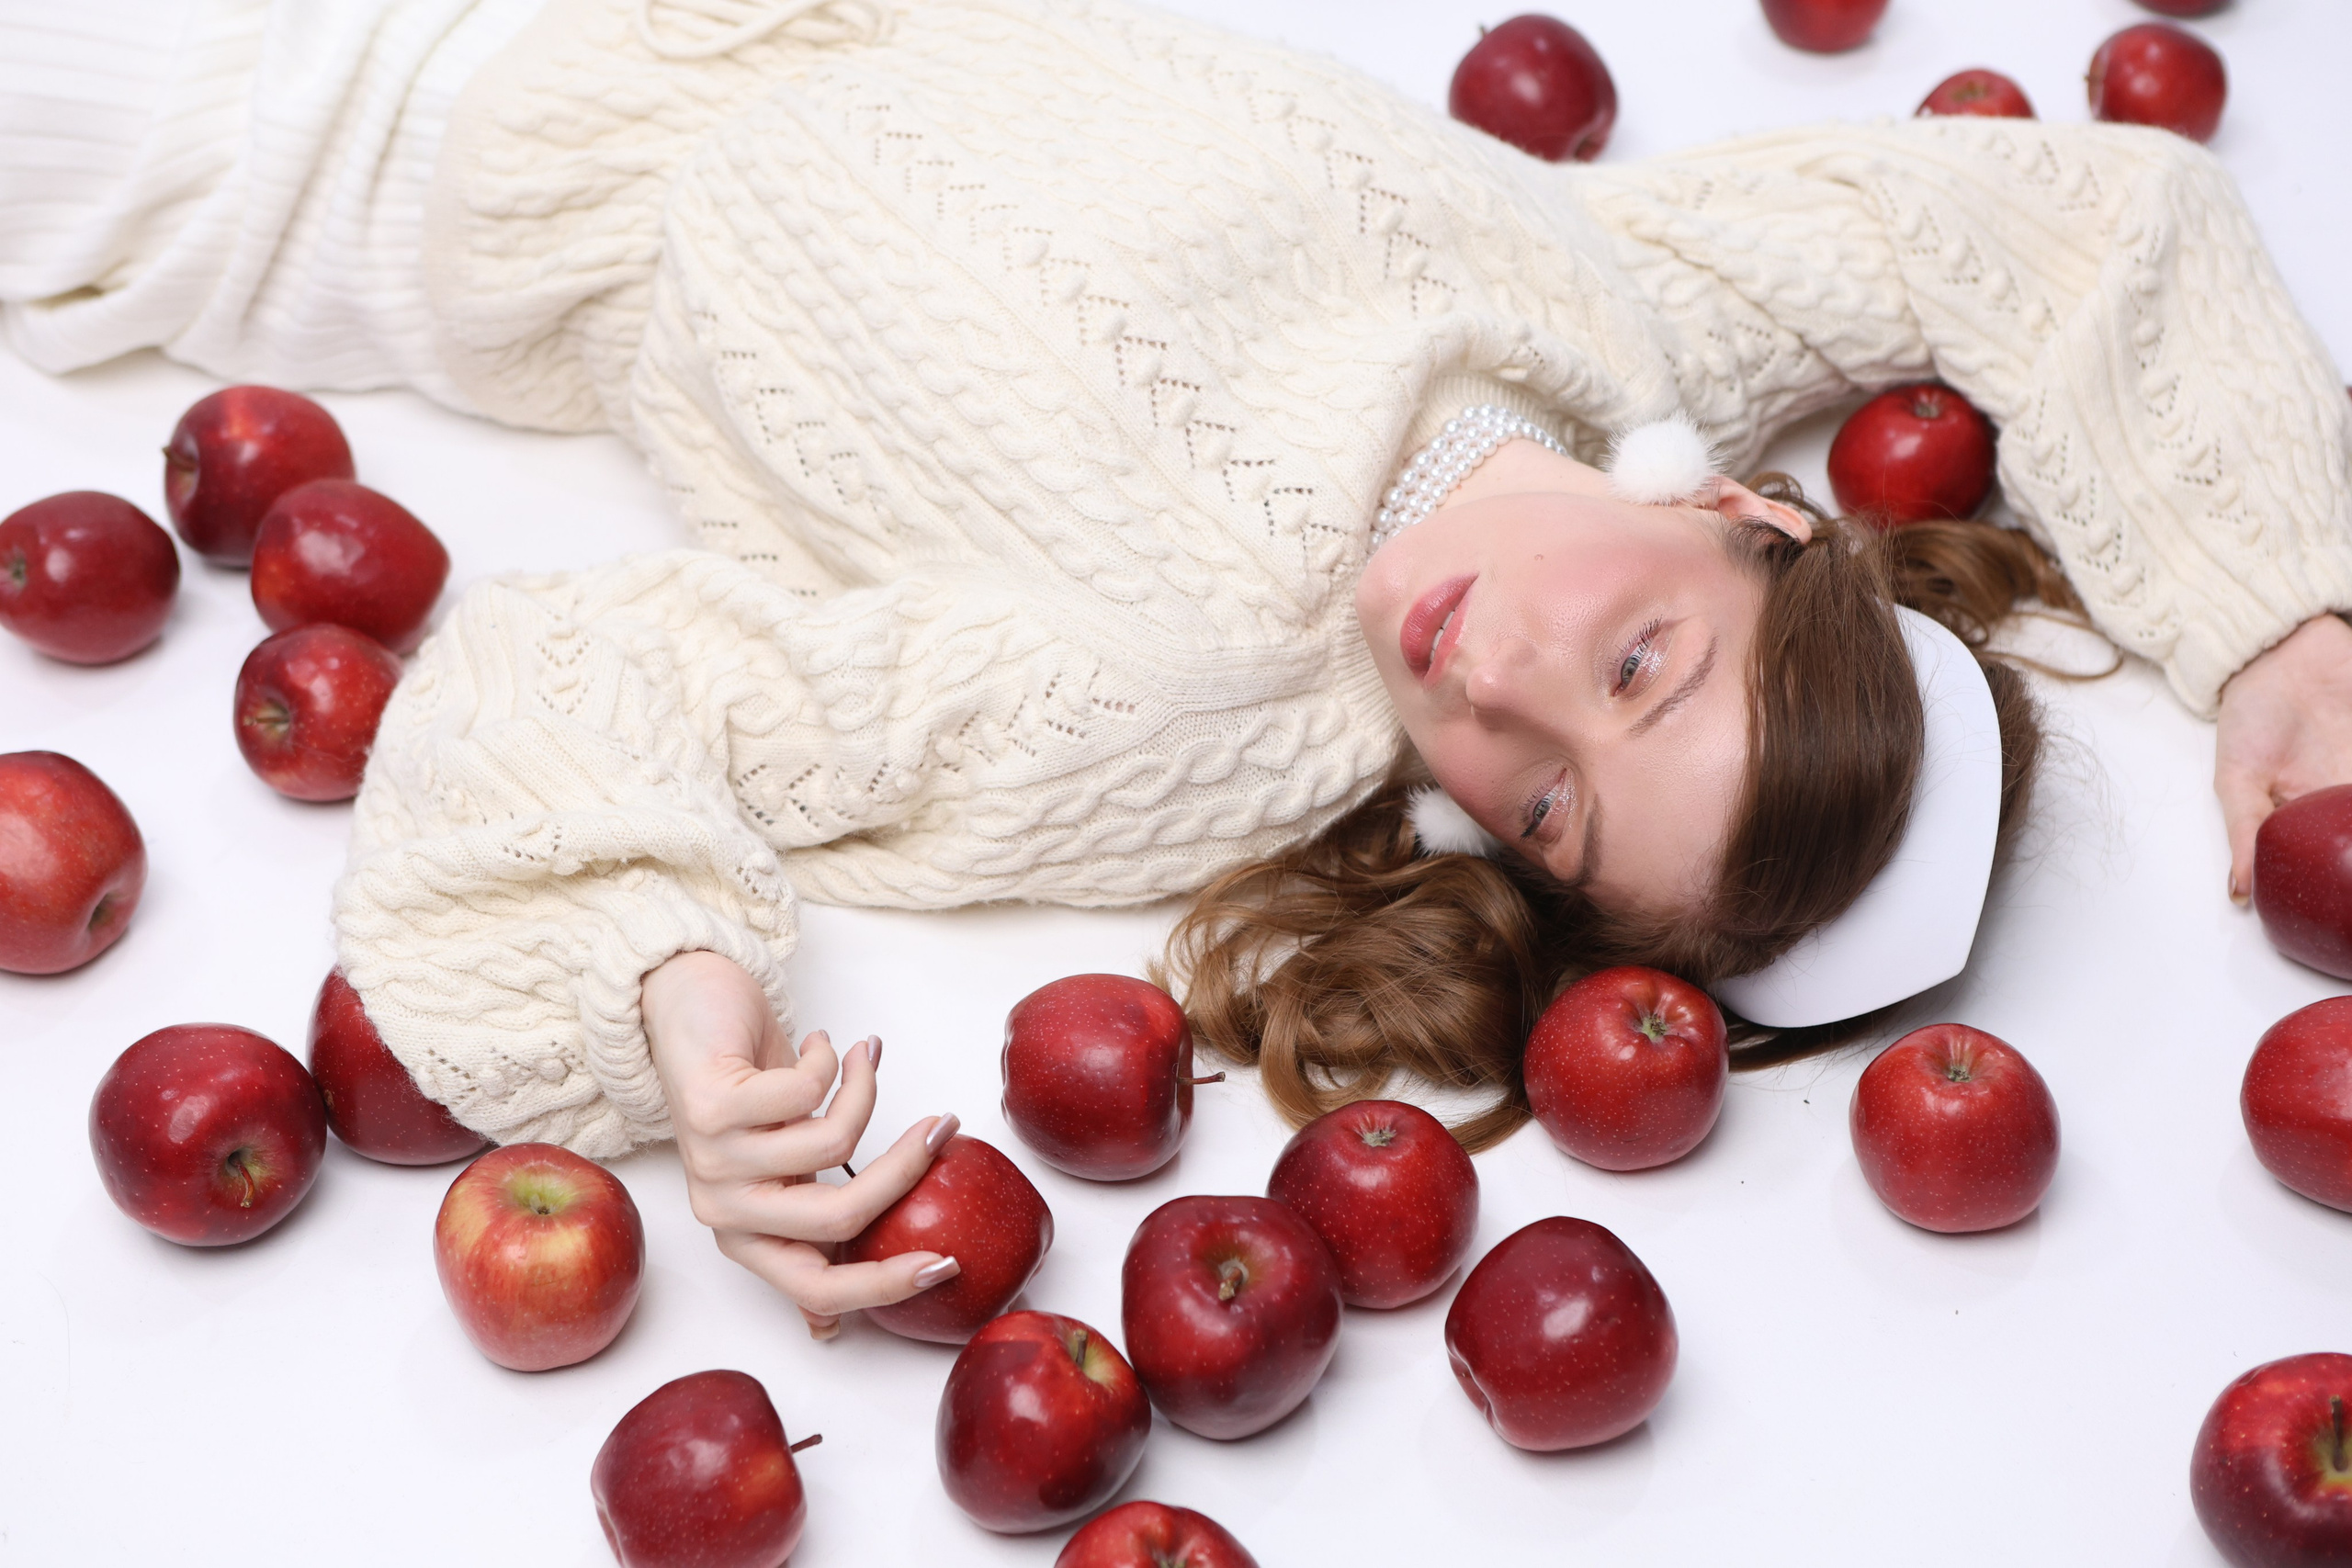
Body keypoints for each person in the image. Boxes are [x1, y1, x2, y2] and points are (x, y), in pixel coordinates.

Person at [6, 0, 2349, 1337]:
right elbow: (2072, 209)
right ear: (1745, 516)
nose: (1498, 677)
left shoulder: (1191, 706)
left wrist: (680, 1004)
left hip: (378, 133)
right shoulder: (1624, 324)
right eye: (1638, 654)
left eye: (1538, 801)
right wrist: (2274, 611)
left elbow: (609, 682)